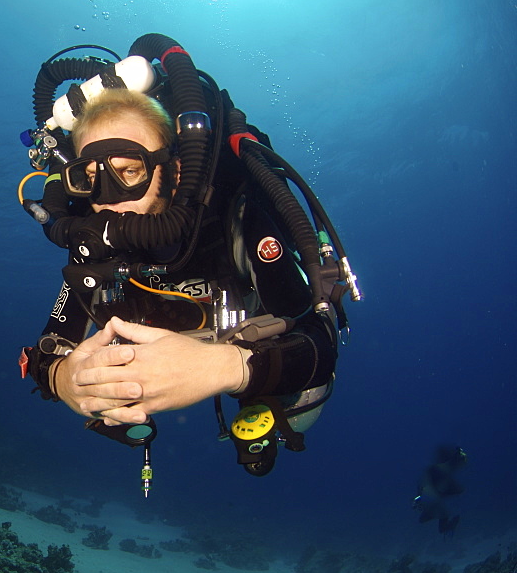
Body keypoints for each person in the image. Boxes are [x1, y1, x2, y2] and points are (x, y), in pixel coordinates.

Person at [18, 34, 361, 483]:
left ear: (175, 170)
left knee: (300, 407)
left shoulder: (233, 220)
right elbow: (47, 351)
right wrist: (65, 378)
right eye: (90, 177)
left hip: (247, 340)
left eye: (129, 172)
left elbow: (321, 344)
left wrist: (227, 367)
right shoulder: (94, 245)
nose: (108, 202)